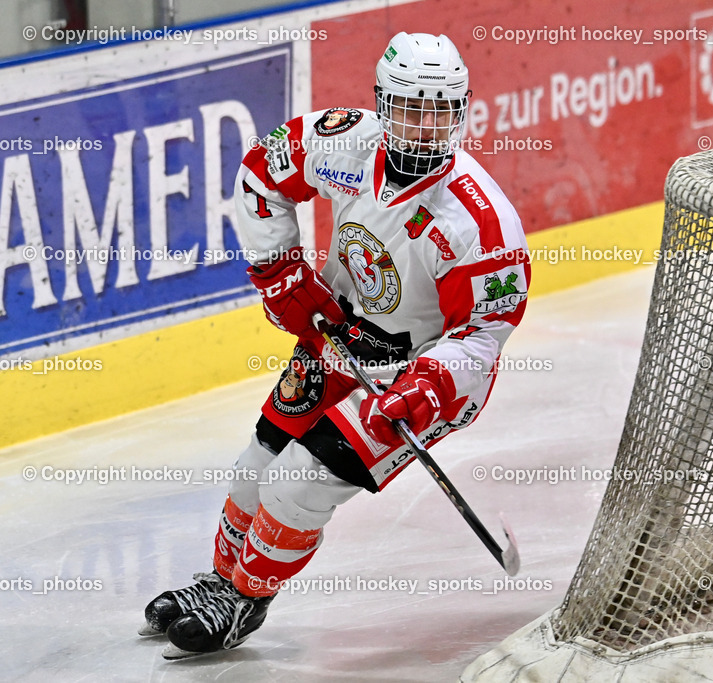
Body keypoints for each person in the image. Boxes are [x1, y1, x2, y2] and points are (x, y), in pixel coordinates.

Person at [140, 31, 531, 659]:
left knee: (297, 485)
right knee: (254, 471)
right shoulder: (344, 141)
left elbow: (484, 333)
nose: (424, 128)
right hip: (340, 336)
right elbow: (262, 170)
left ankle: (243, 599)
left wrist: (425, 387)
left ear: (460, 112)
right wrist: (280, 271)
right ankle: (220, 580)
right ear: (381, 103)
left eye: (439, 111)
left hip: (418, 378)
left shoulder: (478, 223)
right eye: (409, 109)